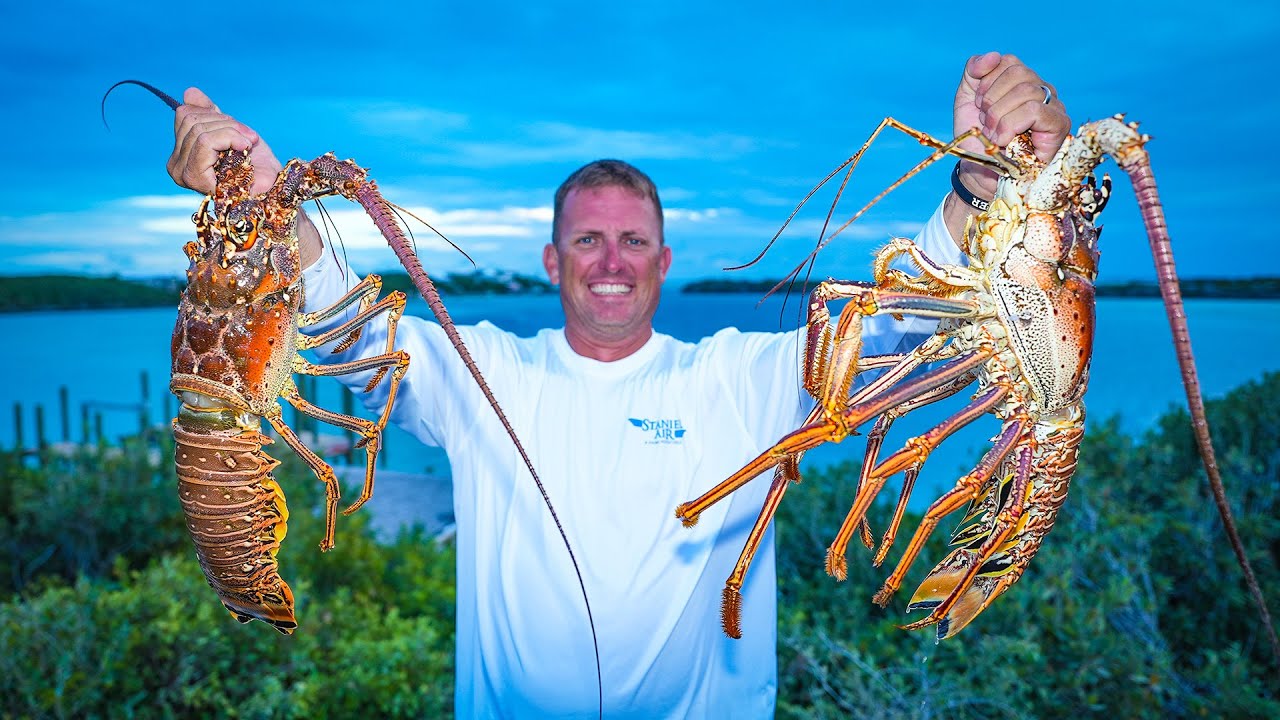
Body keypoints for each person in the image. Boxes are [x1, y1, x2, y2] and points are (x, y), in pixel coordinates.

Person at [167, 51, 1070, 718]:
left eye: (633, 240)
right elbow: (349, 329)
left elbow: (894, 327)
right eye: (589, 240)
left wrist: (982, 187)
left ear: (665, 261)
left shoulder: (739, 377)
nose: (611, 260)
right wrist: (268, 200)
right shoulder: (487, 372)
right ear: (554, 260)